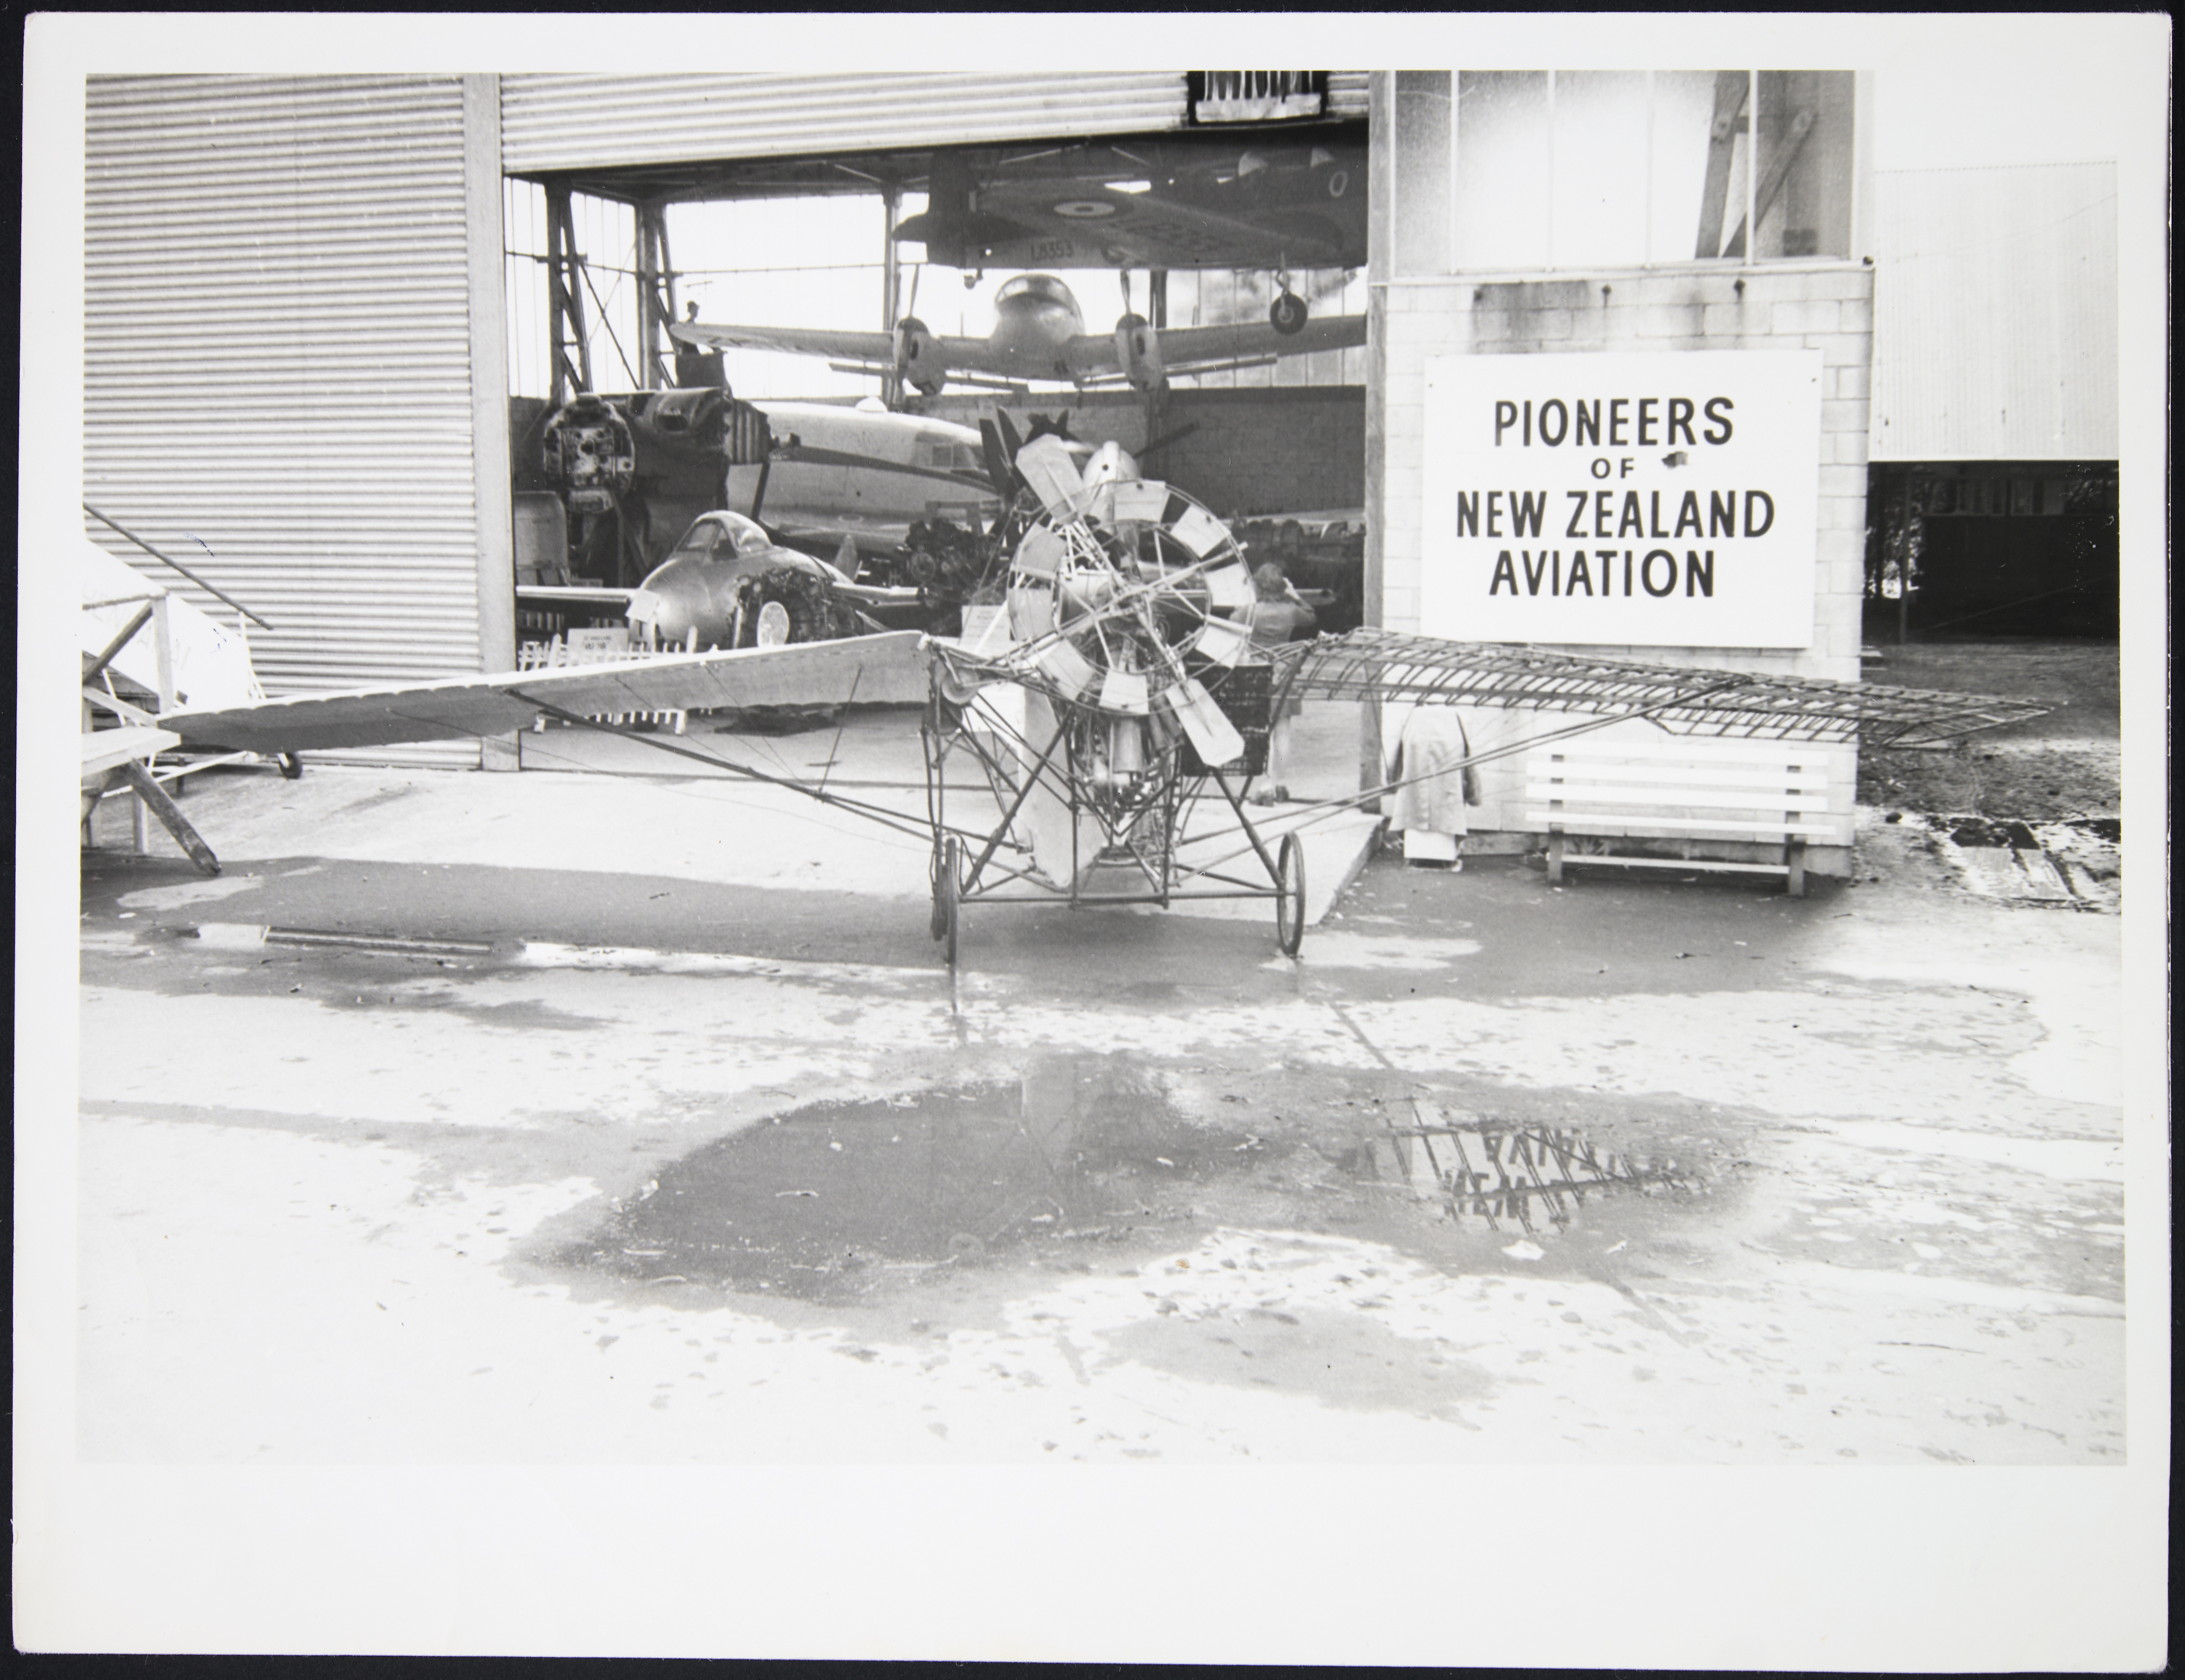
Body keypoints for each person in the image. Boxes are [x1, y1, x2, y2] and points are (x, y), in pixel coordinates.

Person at [1246, 562, 1316, 802]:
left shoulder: (1251, 612)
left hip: (1258, 674)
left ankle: (1266, 786)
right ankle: (1281, 784)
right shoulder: (1291, 611)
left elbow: (1233, 618)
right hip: (1284, 672)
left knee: (1263, 731)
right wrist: (1294, 595)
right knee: (1283, 730)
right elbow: (1311, 616)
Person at [1387, 706, 1483, 869]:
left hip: (1417, 775)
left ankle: (1419, 856)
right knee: (1446, 806)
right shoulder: (1452, 726)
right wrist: (1474, 795)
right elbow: (1469, 765)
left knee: (1416, 802)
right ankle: (1440, 857)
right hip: (1447, 787)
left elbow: (1396, 761)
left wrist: (1391, 782)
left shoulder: (1414, 722)